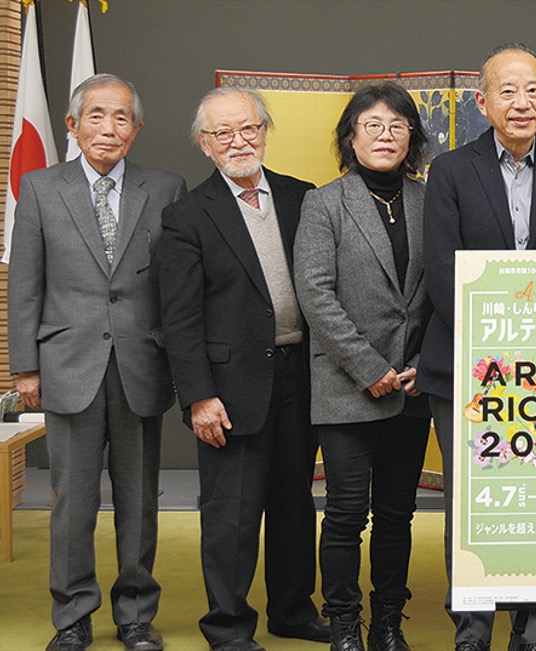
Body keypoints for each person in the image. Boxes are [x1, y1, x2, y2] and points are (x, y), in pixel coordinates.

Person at [419, 43, 536, 651]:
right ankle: (472, 627)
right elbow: (441, 268)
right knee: (474, 500)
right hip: (468, 364)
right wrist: (495, 337)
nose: (522, 103)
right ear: (483, 101)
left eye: (533, 91)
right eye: (507, 91)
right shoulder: (448, 171)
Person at [7, 73, 184, 651]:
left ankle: (135, 614)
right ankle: (73, 616)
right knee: (72, 505)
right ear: (72, 124)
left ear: (136, 128)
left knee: (138, 503)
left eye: (122, 118)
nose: (109, 128)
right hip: (67, 363)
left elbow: (177, 286)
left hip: (141, 364)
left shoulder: (165, 188)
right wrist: (25, 366)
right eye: (98, 116)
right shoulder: (38, 188)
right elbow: (25, 284)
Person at [157, 87, 327, 651]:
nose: (238, 141)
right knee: (230, 516)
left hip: (301, 374)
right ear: (205, 145)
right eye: (223, 133)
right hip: (228, 388)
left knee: (294, 504)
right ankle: (227, 626)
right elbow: (178, 319)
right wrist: (198, 396)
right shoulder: (185, 216)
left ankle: (293, 609)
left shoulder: (303, 198)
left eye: (248, 128)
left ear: (264, 129)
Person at [293, 82, 432, 651]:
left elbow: (446, 291)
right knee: (347, 514)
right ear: (351, 136)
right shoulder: (324, 203)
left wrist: (429, 362)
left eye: (397, 126)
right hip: (349, 386)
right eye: (372, 125)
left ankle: (390, 623)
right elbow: (315, 294)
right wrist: (368, 366)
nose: (385, 135)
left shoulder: (431, 199)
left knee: (398, 516)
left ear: (412, 138)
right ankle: (345, 623)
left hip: (415, 385)